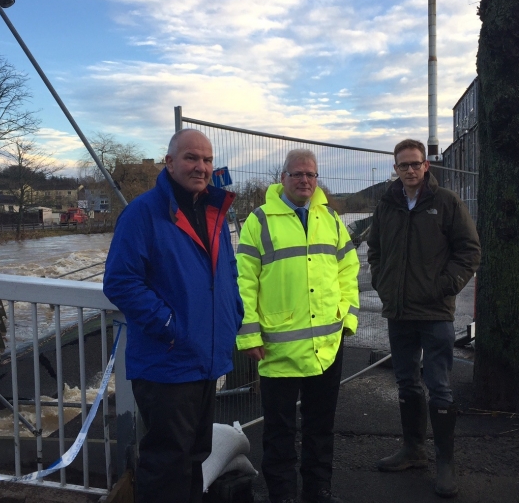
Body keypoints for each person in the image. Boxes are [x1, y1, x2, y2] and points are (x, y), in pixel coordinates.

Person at [103, 129, 243, 503]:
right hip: (167, 361)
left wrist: (234, 313)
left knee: (195, 458)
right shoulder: (143, 213)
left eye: (208, 160)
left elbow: (228, 271)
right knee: (166, 463)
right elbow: (120, 281)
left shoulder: (214, 212)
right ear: (170, 162)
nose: (201, 167)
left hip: (205, 357)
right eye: (191, 158)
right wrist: (169, 325)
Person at [236, 149, 360, 503]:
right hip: (277, 348)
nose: (305, 180)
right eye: (297, 174)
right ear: (283, 178)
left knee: (321, 428)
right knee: (279, 431)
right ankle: (284, 495)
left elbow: (348, 272)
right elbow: (244, 282)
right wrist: (249, 336)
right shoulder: (259, 221)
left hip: (326, 347)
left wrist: (347, 319)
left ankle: (319, 491)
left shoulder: (332, 220)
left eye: (311, 174)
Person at [367, 139, 480, 498]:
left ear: (426, 165)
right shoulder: (387, 204)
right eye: (404, 165)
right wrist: (383, 284)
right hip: (399, 311)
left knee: (439, 385)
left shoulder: (446, 203)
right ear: (395, 168)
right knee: (406, 383)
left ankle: (444, 462)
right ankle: (413, 450)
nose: (410, 170)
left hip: (434, 313)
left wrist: (444, 286)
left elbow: (469, 251)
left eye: (416, 164)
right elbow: (375, 251)